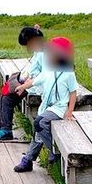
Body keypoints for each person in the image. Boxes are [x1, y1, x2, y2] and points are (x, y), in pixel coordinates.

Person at [13, 37, 77, 173]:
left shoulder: (68, 73)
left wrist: (69, 111)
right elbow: (35, 81)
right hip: (46, 108)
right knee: (38, 133)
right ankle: (28, 161)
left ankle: (55, 151)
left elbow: (73, 93)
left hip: (59, 109)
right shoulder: (48, 70)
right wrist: (23, 87)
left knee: (39, 123)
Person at [0, 25, 45, 140]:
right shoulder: (40, 49)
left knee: (7, 99)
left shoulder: (43, 54)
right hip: (31, 83)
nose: (28, 48)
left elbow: (45, 74)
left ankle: (6, 130)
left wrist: (25, 85)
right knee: (4, 92)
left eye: (27, 45)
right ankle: (2, 125)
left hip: (37, 86)